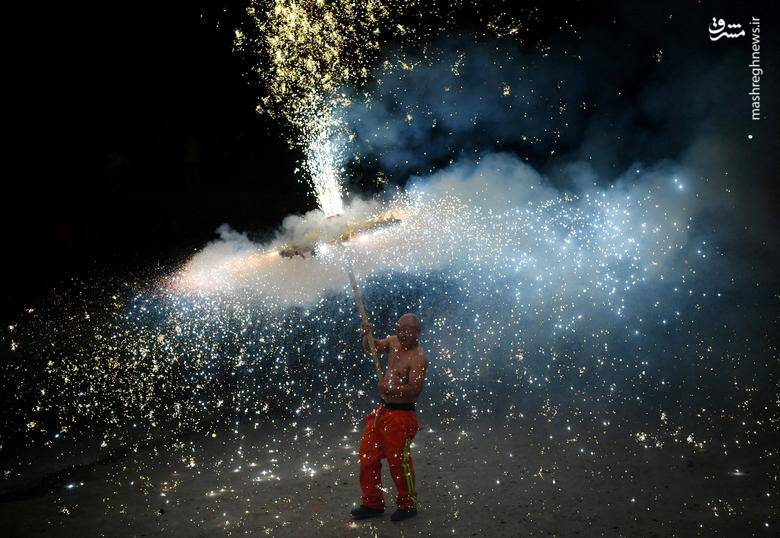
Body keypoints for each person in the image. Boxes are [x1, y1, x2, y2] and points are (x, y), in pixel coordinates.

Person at [350, 313, 428, 522]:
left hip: (402, 417)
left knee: (398, 462)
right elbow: (372, 348)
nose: (402, 334)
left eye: (407, 330)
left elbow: (415, 390)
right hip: (382, 412)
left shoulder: (419, 357)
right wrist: (367, 336)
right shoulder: (392, 342)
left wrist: (392, 389)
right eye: (399, 329)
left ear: (417, 333)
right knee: (368, 456)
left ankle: (407, 504)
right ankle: (372, 503)